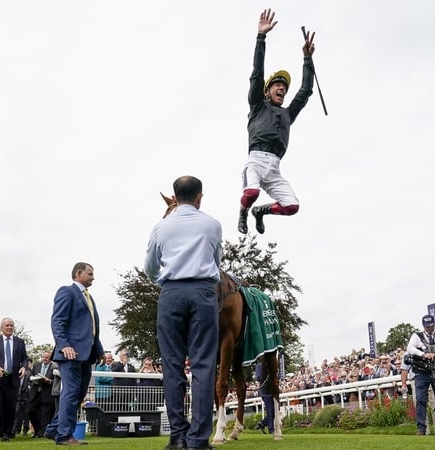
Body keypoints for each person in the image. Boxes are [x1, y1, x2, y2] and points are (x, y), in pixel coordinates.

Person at [144, 175, 222, 450]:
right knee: (203, 366)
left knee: (172, 365)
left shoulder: (160, 228)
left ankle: (178, 436)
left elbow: (149, 267)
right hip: (202, 292)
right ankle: (199, 439)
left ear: (174, 198)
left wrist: (166, 281)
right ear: (199, 197)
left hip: (171, 293)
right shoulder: (212, 225)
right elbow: (216, 262)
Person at [237, 8, 316, 235]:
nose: (282, 88)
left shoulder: (288, 114)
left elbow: (306, 90)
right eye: (277, 85)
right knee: (251, 193)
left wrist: (307, 58)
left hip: (274, 168)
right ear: (267, 90)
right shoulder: (257, 105)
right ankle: (243, 211)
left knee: (292, 206)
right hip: (256, 160)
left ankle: (260, 212)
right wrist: (261, 37)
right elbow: (257, 73)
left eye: (284, 87)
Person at [44, 262, 104, 446]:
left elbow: (92, 327)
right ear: (79, 273)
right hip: (70, 353)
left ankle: (53, 429)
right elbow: (57, 321)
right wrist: (63, 345)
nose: (93, 277)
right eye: (90, 273)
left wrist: (99, 349)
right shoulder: (66, 292)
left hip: (87, 354)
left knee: (78, 395)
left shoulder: (89, 297)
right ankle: (64, 436)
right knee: (70, 393)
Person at [0, 317, 28, 442]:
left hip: (12, 379)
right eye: (7, 325)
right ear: (1, 327)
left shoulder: (20, 342)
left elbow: (25, 358)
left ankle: (6, 433)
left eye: (11, 325)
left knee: (10, 407)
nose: (9, 327)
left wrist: (24, 367)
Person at [405, 314, 435, 436]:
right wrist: (423, 355)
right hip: (421, 372)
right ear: (423, 326)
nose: (430, 328)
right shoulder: (417, 336)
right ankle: (421, 429)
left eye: (431, 325)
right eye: (427, 326)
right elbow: (410, 348)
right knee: (421, 400)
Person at [28, 351, 57, 438]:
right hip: (35, 392)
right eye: (43, 357)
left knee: (45, 414)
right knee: (30, 411)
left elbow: (56, 381)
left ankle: (42, 432)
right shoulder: (37, 365)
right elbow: (31, 376)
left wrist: (48, 381)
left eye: (47, 357)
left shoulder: (54, 367)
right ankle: (36, 430)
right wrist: (34, 379)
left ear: (50, 358)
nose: (44, 359)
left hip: (47, 393)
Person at [254, 357, 274, 434]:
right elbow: (259, 378)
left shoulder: (272, 365)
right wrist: (268, 375)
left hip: (272, 391)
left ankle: (262, 423)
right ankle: (271, 429)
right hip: (265, 392)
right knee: (270, 411)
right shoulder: (259, 366)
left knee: (275, 411)